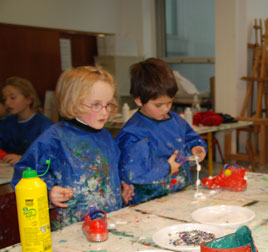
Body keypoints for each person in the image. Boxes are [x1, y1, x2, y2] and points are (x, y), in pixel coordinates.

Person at [11, 66, 134, 230]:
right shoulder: (54, 139)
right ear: (73, 103)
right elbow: (23, 176)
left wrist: (121, 185)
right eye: (96, 105)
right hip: (71, 228)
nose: (104, 112)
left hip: (107, 222)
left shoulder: (105, 137)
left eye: (108, 104)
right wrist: (48, 191)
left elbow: (109, 171)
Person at [115, 58, 207, 204]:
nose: (166, 109)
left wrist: (197, 147)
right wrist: (167, 168)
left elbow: (190, 137)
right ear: (139, 101)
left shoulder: (174, 120)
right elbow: (133, 173)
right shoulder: (134, 133)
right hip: (149, 201)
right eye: (158, 105)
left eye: (169, 102)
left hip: (179, 193)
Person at [0, 77, 52, 165]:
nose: (7, 103)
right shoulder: (6, 123)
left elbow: (49, 156)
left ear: (29, 99)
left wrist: (23, 158)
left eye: (12, 98)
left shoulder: (44, 125)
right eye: (5, 99)